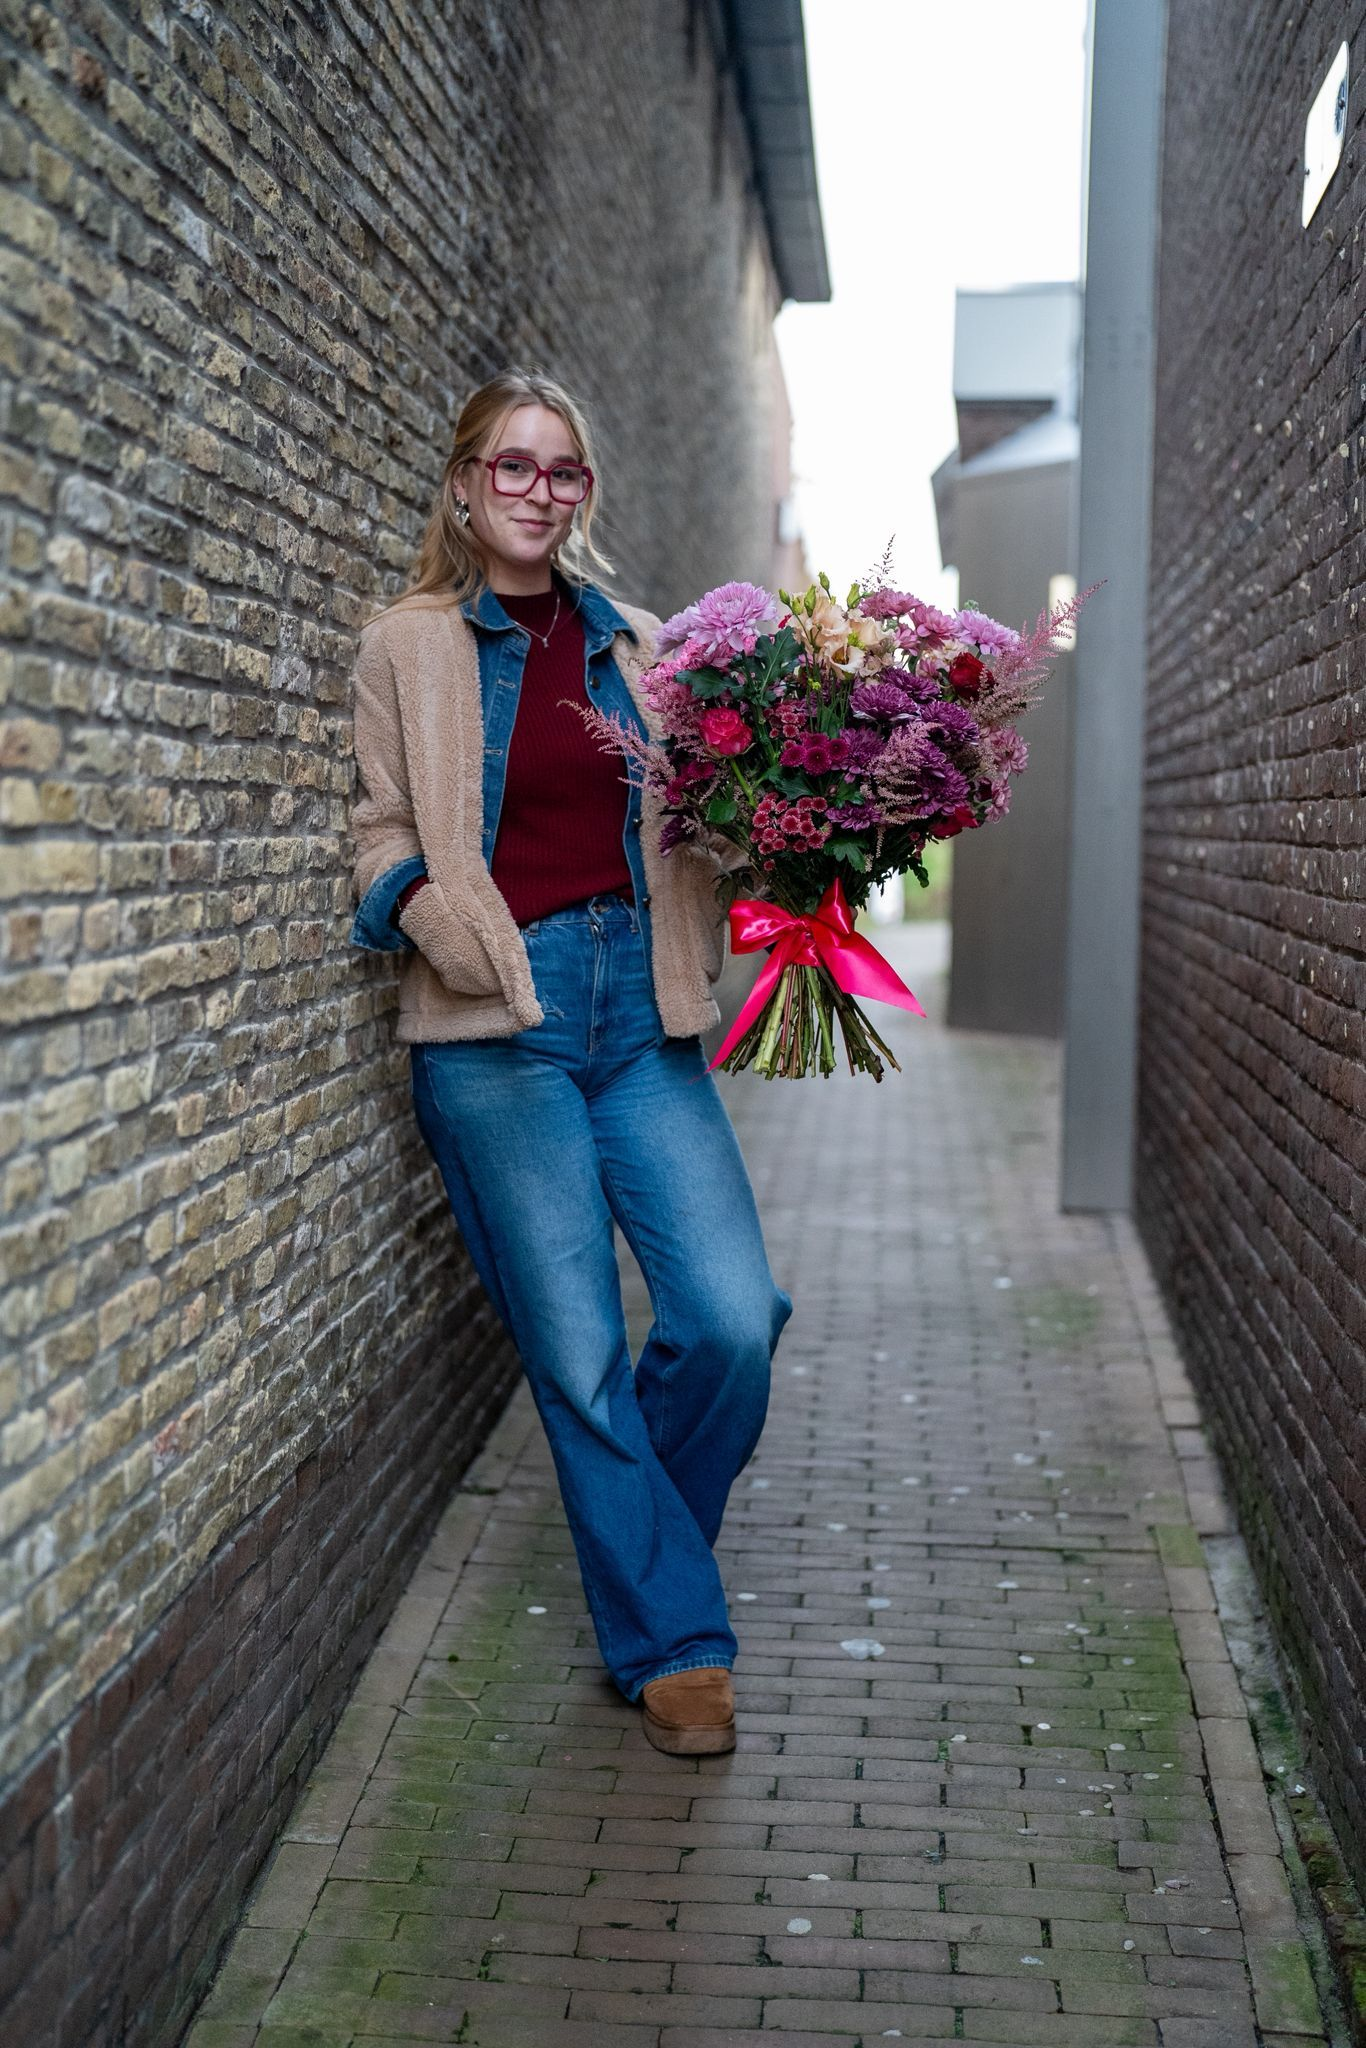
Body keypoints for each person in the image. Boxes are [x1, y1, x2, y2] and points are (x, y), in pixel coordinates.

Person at [347, 367, 792, 1755]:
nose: (538, 492)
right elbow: (373, 836)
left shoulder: (641, 646)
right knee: (582, 1356)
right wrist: (440, 925)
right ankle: (672, 1639)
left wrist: (793, 820)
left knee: (731, 1319)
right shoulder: (406, 645)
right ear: (468, 485)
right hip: (497, 1032)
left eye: (563, 472)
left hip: (640, 1019)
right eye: (513, 467)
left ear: (581, 493)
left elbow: (694, 824)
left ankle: (635, 1542)